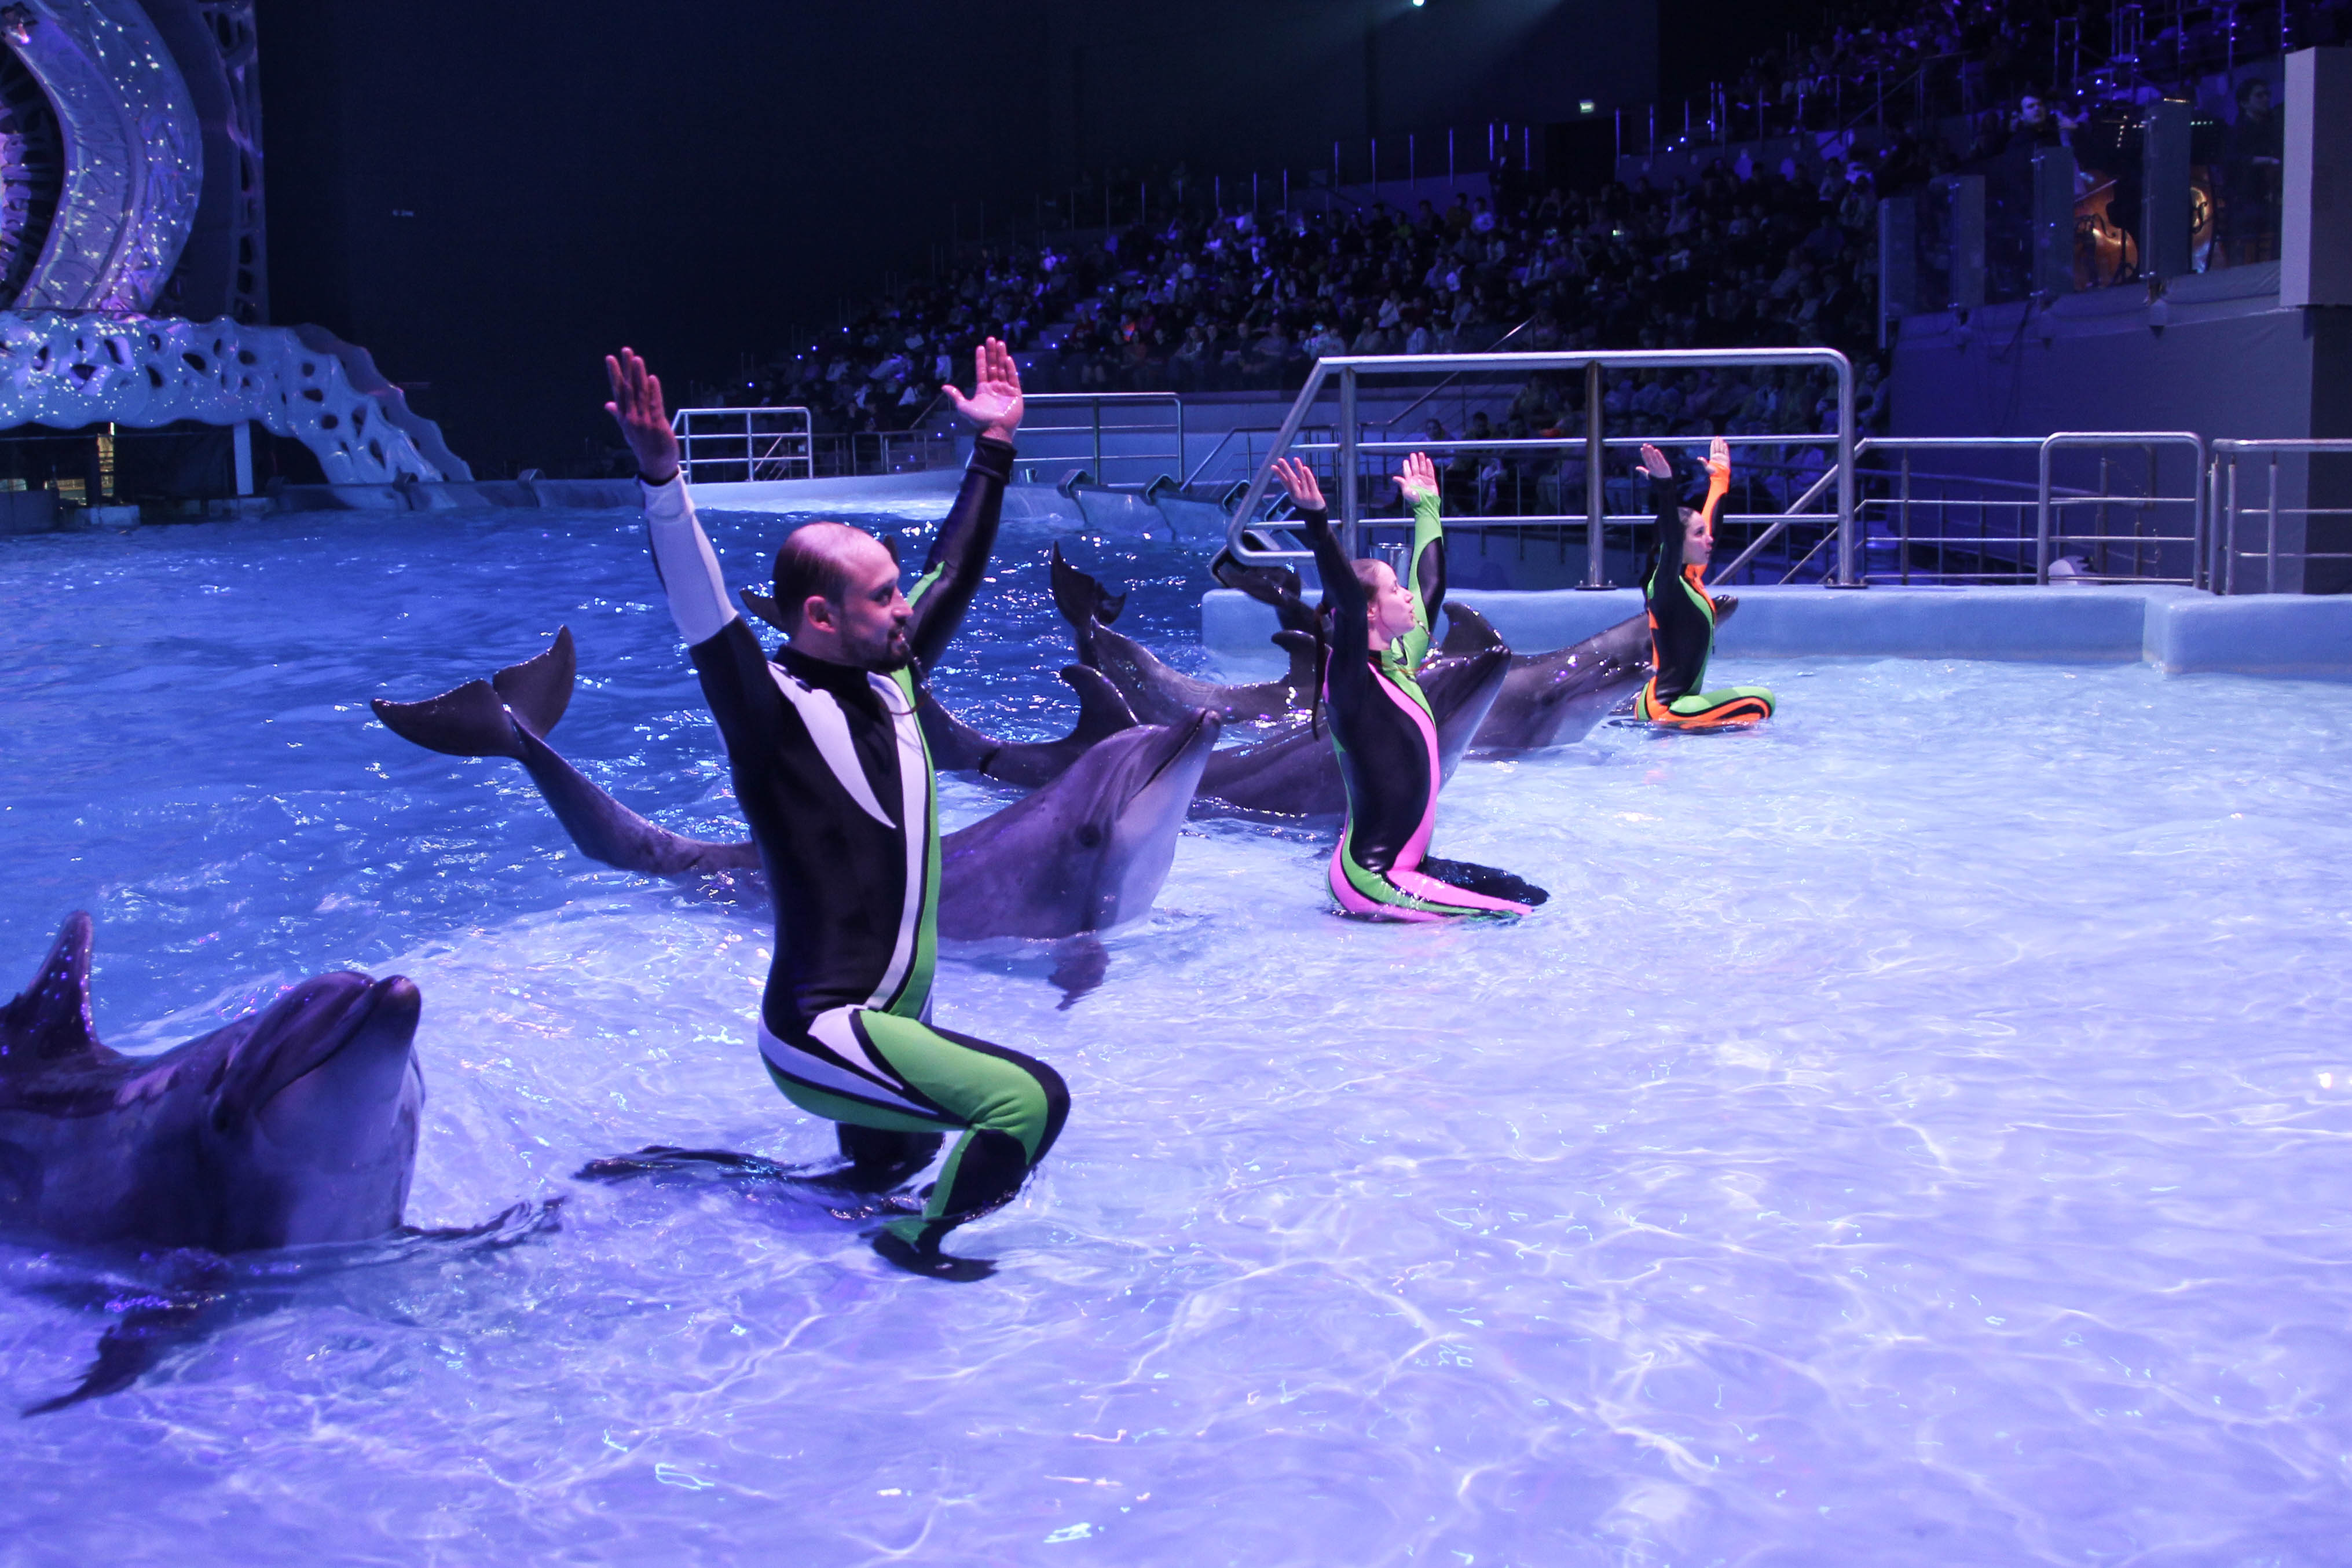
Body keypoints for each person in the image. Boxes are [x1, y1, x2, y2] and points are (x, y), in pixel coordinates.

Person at [604, 339, 1067, 1281]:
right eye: (884, 596)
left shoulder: (893, 667)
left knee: (896, 1160)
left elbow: (955, 565)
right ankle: (911, 1244)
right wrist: (664, 481)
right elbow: (704, 607)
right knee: (1024, 1104)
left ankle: (739, 1183)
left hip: (897, 1010)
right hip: (822, 1025)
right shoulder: (771, 713)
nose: (907, 607)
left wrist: (995, 448)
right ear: (820, 616)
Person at [1269, 450, 1547, 921]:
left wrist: (1428, 508)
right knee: (1510, 919)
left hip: (1408, 866)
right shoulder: (1352, 677)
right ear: (1371, 612)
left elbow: (1432, 584)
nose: (1407, 594)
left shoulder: (1399, 659)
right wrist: (1317, 522)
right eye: (1395, 589)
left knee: (1529, 897)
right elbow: (1350, 608)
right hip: (1373, 878)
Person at [1635, 438, 1775, 730]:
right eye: (1698, 535)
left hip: (1672, 702)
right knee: (1762, 702)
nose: (1708, 539)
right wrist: (1665, 488)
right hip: (1668, 707)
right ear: (1676, 543)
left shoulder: (1690, 576)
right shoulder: (1665, 584)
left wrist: (1720, 479)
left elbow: (1710, 526)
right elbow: (1673, 541)